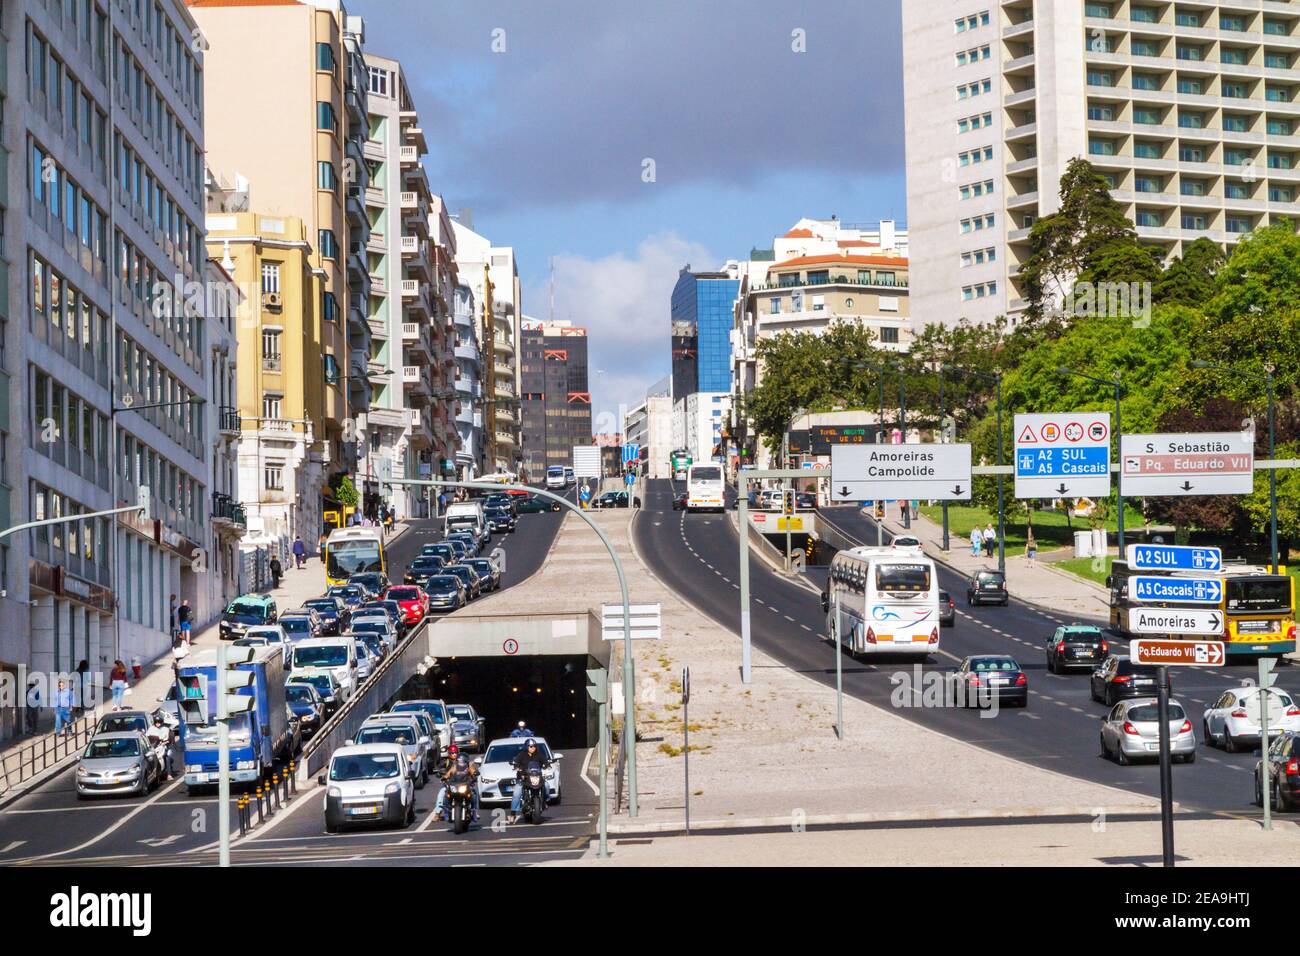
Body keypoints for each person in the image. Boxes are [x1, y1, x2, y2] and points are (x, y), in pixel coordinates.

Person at [508, 739, 549, 823]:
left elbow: (545, 761)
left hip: (536, 777)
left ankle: (544, 802)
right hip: (524, 779)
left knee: (547, 786)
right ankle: (513, 814)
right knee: (517, 793)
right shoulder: (521, 755)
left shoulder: (539, 755)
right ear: (526, 747)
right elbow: (515, 762)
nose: (533, 748)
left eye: (534, 746)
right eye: (531, 746)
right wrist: (516, 767)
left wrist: (547, 765)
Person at [433, 752, 480, 823]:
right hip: (455, 784)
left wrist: (475, 774)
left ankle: (474, 812)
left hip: (466, 784)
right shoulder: (455, 766)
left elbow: (473, 771)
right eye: (460, 760)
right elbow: (449, 773)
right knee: (446, 794)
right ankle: (446, 810)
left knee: (473, 794)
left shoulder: (469, 765)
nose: (461, 761)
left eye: (463, 760)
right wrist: (444, 777)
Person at [146, 713, 174, 780]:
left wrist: (164, 742)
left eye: (159, 722)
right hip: (153, 747)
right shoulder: (151, 729)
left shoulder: (165, 729)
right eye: (156, 722)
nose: (157, 723)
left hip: (163, 746)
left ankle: (169, 774)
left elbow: (168, 739)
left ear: (161, 722)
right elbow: (147, 737)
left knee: (167, 757)